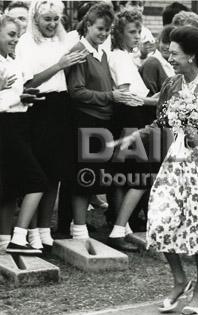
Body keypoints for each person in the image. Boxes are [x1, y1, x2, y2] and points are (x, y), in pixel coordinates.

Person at [120, 26, 198, 315]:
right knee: (160, 218)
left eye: (174, 53)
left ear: (191, 55)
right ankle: (179, 279)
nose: (169, 57)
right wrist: (137, 134)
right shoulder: (171, 85)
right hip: (174, 162)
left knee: (197, 225)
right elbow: (162, 121)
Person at [15, 0, 88, 251]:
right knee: (40, 172)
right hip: (39, 106)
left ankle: (45, 229)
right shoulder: (26, 43)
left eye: (56, 19)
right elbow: (29, 82)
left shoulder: (60, 40)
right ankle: (32, 231)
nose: (52, 24)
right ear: (36, 18)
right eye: (47, 18)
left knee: (55, 173)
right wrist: (60, 65)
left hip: (60, 105)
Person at [66, 3, 133, 240]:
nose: (104, 34)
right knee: (84, 176)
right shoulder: (80, 51)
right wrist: (110, 96)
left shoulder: (101, 53)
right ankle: (79, 229)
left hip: (103, 121)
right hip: (86, 121)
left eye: (107, 30)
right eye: (99, 29)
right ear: (87, 25)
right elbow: (76, 91)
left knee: (95, 176)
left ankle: (83, 227)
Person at [106, 9, 158, 252]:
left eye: (139, 31)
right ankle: (118, 229)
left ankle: (121, 227)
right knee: (141, 176)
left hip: (127, 118)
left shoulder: (124, 56)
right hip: (129, 117)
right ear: (119, 33)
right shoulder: (118, 57)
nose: (137, 36)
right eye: (132, 32)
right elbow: (126, 96)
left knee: (123, 175)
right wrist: (153, 101)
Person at [0, 15, 48, 255]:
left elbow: (13, 94)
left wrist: (26, 95)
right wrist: (19, 97)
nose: (15, 39)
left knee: (9, 186)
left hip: (20, 123)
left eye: (17, 34)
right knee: (38, 181)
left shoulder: (12, 61)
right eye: (10, 34)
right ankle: (19, 239)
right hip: (6, 126)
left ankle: (3, 239)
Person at [116, 0, 156, 67]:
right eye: (133, 4)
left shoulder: (146, 32)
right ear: (122, 7)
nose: (138, 8)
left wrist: (143, 55)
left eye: (140, 5)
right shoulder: (112, 31)